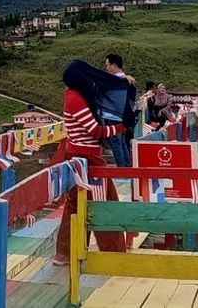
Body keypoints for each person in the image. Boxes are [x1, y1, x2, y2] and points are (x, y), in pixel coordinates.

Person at [53, 60, 127, 265]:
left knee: (75, 205)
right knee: (105, 203)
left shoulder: (74, 96)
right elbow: (94, 130)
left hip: (78, 156)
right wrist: (120, 128)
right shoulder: (76, 99)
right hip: (87, 159)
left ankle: (66, 252)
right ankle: (112, 253)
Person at [102, 53, 135, 166]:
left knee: (116, 143)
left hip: (112, 116)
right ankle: (127, 165)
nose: (106, 68)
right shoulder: (129, 81)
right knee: (121, 142)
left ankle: (122, 171)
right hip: (124, 117)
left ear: (114, 65)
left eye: (107, 65)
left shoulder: (114, 82)